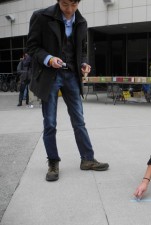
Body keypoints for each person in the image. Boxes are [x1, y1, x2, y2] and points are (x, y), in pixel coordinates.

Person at [26, 0, 109, 182]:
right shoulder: (41, 17)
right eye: (65, 5)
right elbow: (32, 47)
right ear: (58, 1)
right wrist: (48, 58)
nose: (69, 10)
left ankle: (87, 159)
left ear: (78, 2)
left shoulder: (81, 21)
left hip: (71, 75)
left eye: (73, 5)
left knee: (79, 120)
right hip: (50, 76)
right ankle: (53, 162)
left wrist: (84, 63)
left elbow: (83, 50)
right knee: (50, 123)